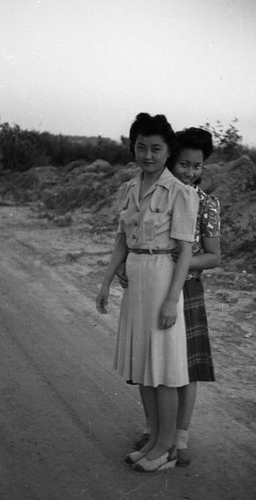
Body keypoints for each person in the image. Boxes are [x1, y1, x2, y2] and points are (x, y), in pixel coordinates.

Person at [96, 113, 199, 472]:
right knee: (143, 367)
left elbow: (185, 250)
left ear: (168, 151)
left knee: (165, 369)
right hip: (136, 278)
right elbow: (122, 239)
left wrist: (172, 299)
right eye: (141, 147)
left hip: (162, 278)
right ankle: (154, 440)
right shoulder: (129, 188)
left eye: (156, 148)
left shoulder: (181, 193)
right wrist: (107, 280)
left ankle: (168, 448)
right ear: (133, 148)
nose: (148, 155)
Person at [118, 127, 220, 466]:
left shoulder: (205, 203)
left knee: (185, 368)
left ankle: (180, 439)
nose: (190, 173)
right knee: (152, 362)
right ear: (171, 162)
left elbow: (213, 256)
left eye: (198, 167)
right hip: (155, 282)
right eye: (184, 165)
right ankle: (154, 431)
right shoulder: (159, 191)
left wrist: (181, 260)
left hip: (184, 288)